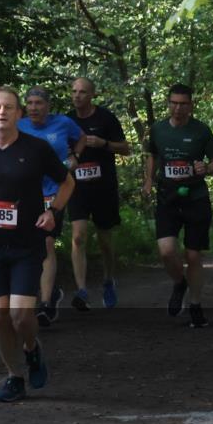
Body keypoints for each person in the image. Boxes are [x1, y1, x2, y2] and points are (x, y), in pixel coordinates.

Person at [0, 87, 74, 402]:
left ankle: (32, 350)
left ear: (18, 114)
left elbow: (67, 182)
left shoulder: (36, 149)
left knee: (21, 316)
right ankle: (14, 376)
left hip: (26, 244)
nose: (2, 112)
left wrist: (53, 212)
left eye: (9, 107)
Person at [141, 83, 213, 329]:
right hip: (167, 197)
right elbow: (152, 156)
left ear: (191, 105)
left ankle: (195, 305)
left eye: (183, 103)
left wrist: (206, 168)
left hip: (196, 198)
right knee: (166, 251)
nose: (178, 108)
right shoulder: (157, 130)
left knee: (193, 255)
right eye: (173, 103)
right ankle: (179, 282)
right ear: (168, 104)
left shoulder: (201, 131)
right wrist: (147, 181)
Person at [17, 86, 85, 326]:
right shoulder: (19, 125)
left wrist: (74, 156)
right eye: (30, 103)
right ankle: (51, 291)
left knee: (46, 241)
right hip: (26, 194)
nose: (34, 108)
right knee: (29, 245)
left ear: (48, 106)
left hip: (55, 192)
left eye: (38, 103)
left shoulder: (63, 123)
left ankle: (45, 304)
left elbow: (82, 138)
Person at [67, 77, 130, 310]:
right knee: (78, 237)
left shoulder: (106, 118)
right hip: (76, 187)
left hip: (103, 187)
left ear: (92, 95)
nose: (77, 96)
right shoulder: (67, 120)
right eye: (74, 91)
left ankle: (108, 279)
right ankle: (82, 290)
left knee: (104, 239)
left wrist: (103, 143)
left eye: (83, 92)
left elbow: (125, 149)